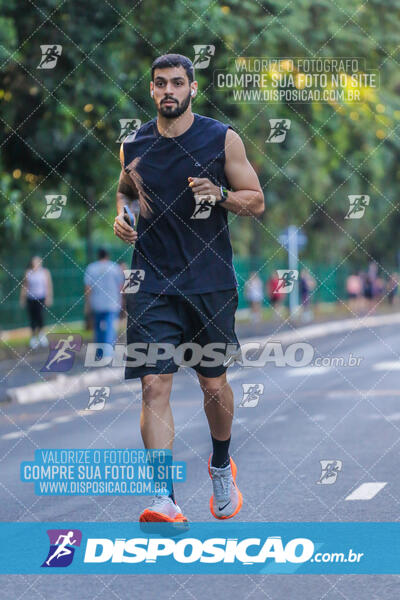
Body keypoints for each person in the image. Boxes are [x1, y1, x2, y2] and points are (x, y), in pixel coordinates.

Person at [113, 54, 264, 524]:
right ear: (152, 89)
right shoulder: (133, 142)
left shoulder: (221, 138)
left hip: (209, 283)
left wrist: (219, 195)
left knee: (212, 384)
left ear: (192, 88)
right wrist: (123, 215)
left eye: (178, 83)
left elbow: (255, 201)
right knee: (153, 383)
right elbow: (126, 190)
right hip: (152, 280)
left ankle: (221, 465)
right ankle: (164, 497)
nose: (168, 91)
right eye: (160, 84)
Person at [84, 249, 124, 357]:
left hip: (96, 302)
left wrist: (87, 303)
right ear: (108, 256)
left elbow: (88, 288)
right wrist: (122, 300)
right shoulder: (115, 268)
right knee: (110, 326)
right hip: (112, 302)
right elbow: (121, 286)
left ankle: (99, 351)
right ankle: (108, 352)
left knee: (97, 327)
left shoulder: (91, 268)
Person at [20, 256, 53, 349]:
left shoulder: (45, 272)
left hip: (41, 298)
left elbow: (48, 285)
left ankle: (41, 335)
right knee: (32, 318)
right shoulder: (28, 272)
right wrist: (22, 298)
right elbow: (25, 286)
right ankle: (33, 338)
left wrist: (49, 297)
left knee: (41, 317)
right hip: (31, 298)